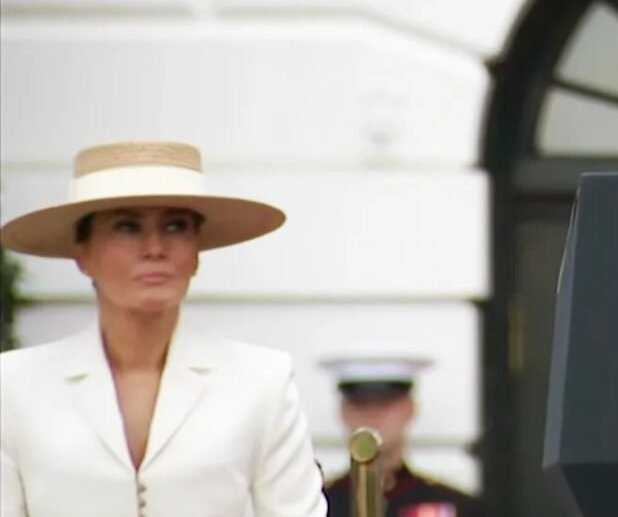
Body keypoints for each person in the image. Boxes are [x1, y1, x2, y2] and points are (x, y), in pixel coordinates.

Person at [0, 141, 327, 517]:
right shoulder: (14, 385)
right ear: (83, 253)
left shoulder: (261, 380)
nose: (155, 247)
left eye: (175, 226)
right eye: (127, 227)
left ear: (196, 253)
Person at [320, 355, 485, 517]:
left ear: (410, 408)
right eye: (361, 404)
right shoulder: (317, 506)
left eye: (386, 403)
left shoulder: (457, 508)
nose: (374, 415)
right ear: (343, 412)